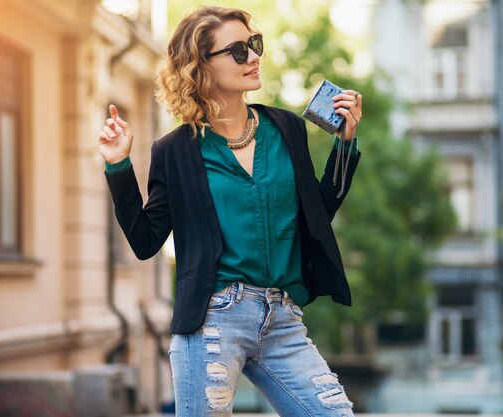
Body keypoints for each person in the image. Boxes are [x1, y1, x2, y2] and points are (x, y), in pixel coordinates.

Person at [97, 6, 362, 417]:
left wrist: (345, 143)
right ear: (200, 66)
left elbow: (316, 214)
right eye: (238, 51)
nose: (254, 57)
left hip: (282, 318)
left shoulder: (286, 128)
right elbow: (145, 241)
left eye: (253, 45)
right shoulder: (176, 150)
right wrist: (118, 165)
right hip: (213, 320)